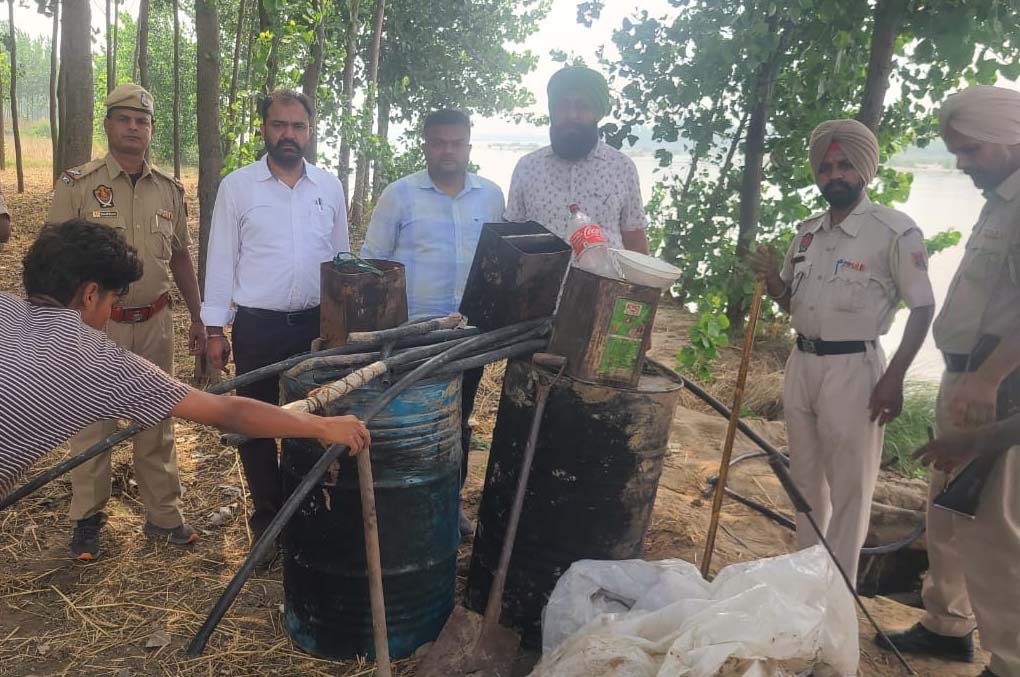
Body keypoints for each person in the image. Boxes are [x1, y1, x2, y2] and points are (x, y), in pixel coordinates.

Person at [0, 220, 369, 510]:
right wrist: (321, 425)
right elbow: (227, 412)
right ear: (91, 294)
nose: (110, 314)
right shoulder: (97, 362)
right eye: (113, 301)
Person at [749, 119, 935, 586]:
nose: (834, 175)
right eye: (826, 167)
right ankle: (806, 586)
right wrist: (773, 282)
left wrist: (894, 377)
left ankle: (836, 599)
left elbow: (922, 307)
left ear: (864, 170)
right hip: (802, 365)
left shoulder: (893, 231)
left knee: (850, 491)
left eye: (845, 165)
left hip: (856, 370)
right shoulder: (807, 233)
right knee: (806, 484)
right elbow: (793, 302)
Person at [879, 85, 1020, 677]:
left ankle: (1010, 660)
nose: (962, 163)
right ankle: (946, 626)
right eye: (956, 151)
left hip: (996, 387)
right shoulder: (1000, 198)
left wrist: (987, 380)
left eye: (970, 150)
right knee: (945, 511)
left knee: (991, 529)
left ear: (1009, 138)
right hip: (966, 378)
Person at [47, 83, 206, 561]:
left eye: (142, 121)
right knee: (91, 421)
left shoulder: (169, 190)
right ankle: (87, 519)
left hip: (155, 322)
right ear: (108, 125)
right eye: (124, 119)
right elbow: (54, 257)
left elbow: (180, 257)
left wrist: (199, 315)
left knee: (157, 418)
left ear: (151, 130)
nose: (134, 128)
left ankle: (164, 516)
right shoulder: (78, 185)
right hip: (95, 328)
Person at [202, 88, 350, 557]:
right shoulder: (237, 187)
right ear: (264, 129)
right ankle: (267, 522)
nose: (289, 134)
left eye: (298, 126)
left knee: (314, 419)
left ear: (310, 131)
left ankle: (310, 516)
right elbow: (221, 259)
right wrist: (214, 329)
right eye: (279, 124)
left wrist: (342, 327)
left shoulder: (329, 187)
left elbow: (342, 259)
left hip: (315, 329)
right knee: (257, 423)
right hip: (257, 327)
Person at [361, 108, 505, 537]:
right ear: (425, 146)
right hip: (413, 337)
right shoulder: (399, 195)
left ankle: (448, 506)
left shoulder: (491, 196)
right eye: (439, 142)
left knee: (457, 420)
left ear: (469, 147)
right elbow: (372, 265)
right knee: (407, 423)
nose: (448, 150)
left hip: (468, 336)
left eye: (456, 143)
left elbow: (498, 262)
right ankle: (400, 510)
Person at [504, 65, 649, 254]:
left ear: (597, 113)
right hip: (544, 275)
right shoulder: (527, 167)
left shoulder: (622, 167)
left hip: (607, 274)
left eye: (582, 106)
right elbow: (511, 241)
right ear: (552, 111)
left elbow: (636, 244)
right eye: (563, 106)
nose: (572, 115)